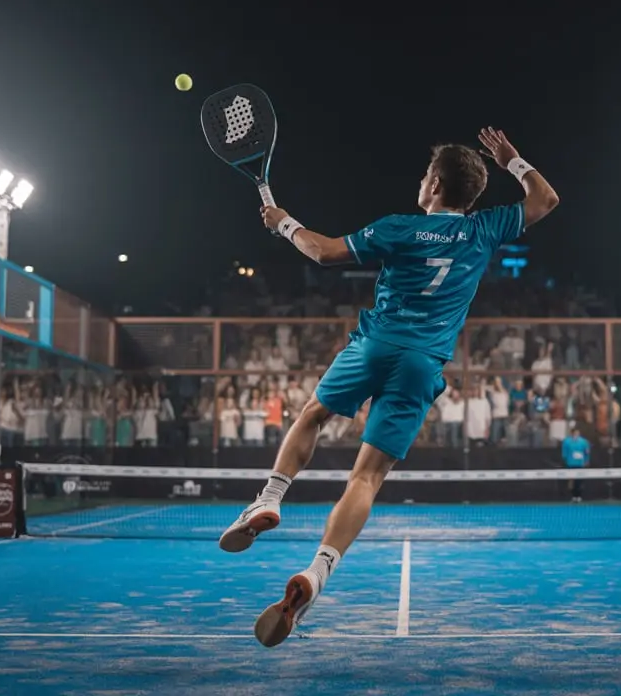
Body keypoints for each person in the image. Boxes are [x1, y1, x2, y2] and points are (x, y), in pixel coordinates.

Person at [218, 127, 559, 647]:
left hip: (375, 345)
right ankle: (317, 573)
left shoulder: (397, 228)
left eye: (426, 174)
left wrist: (283, 223)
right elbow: (546, 199)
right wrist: (513, 159)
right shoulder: (485, 229)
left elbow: (325, 253)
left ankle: (270, 497)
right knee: (366, 480)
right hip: (423, 364)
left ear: (436, 183)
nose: (421, 180)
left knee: (311, 414)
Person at [561, 426, 591, 501]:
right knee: (571, 480)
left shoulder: (584, 441)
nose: (576, 434)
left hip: (580, 463)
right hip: (570, 463)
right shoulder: (567, 441)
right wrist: (565, 460)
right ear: (572, 433)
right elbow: (564, 452)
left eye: (577, 433)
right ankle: (573, 495)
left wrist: (586, 460)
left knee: (579, 480)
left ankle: (579, 495)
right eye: (575, 433)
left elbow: (587, 452)